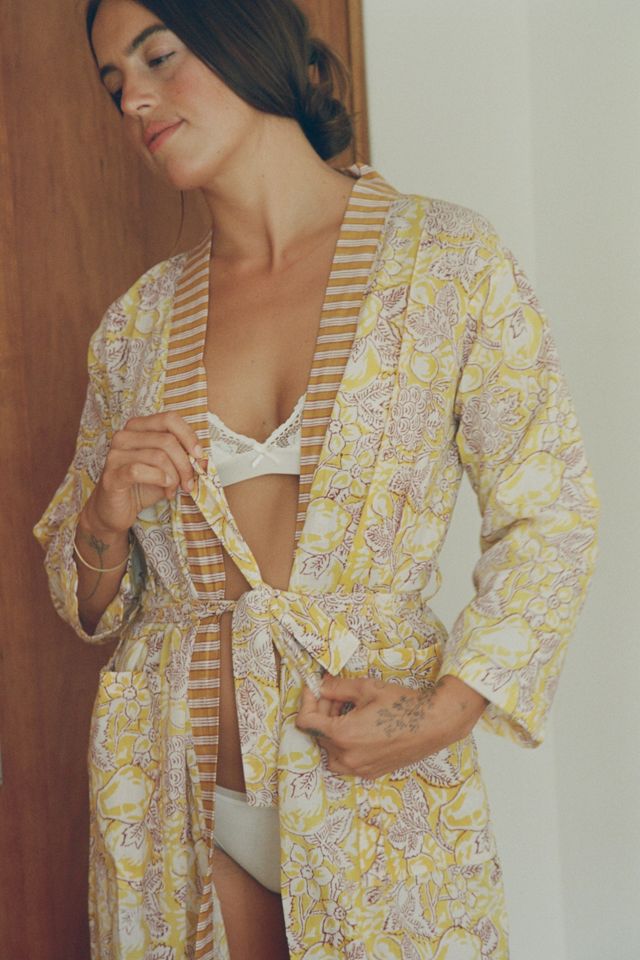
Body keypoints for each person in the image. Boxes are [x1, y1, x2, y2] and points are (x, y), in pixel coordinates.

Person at [33, 0, 599, 958]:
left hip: (379, 797)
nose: (133, 99)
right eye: (113, 82)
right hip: (173, 797)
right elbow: (87, 603)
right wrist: (104, 515)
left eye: (158, 57)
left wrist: (443, 712)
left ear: (246, 38)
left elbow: (551, 515)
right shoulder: (137, 325)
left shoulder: (448, 262)